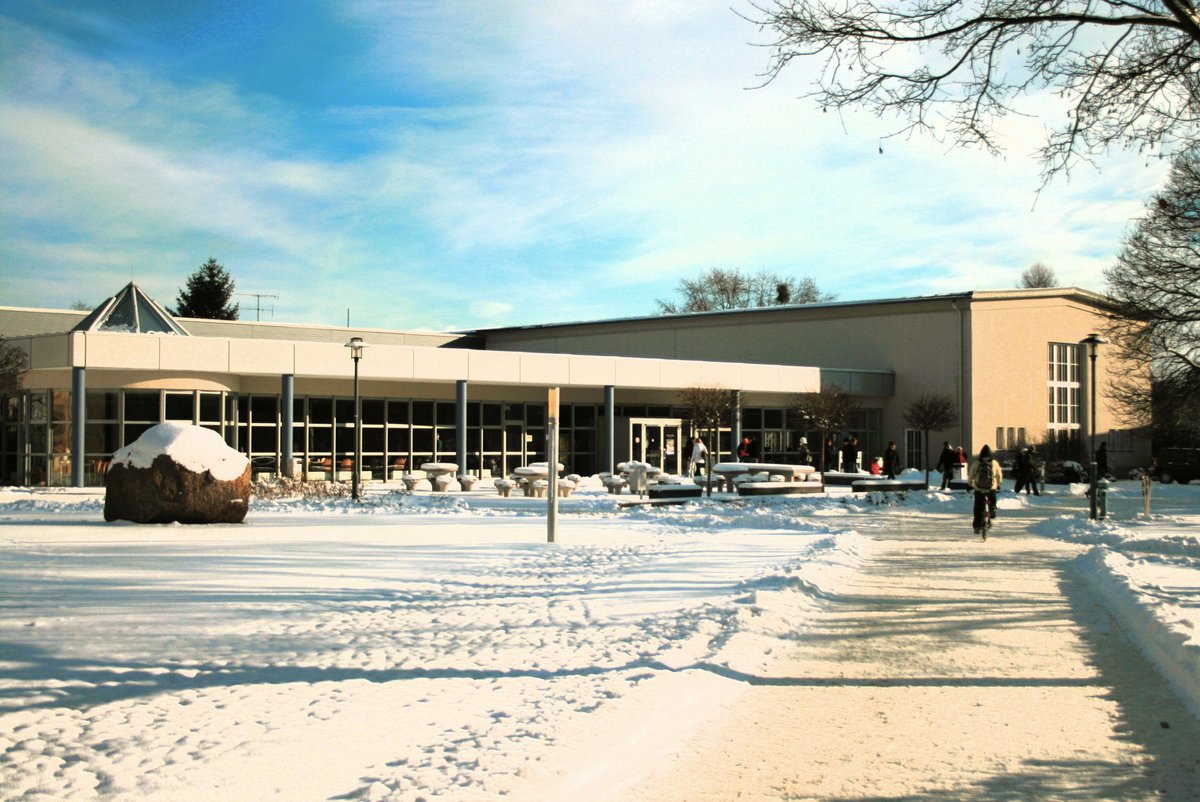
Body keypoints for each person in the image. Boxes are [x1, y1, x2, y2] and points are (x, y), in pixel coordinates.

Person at [969, 444, 1003, 539]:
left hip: (979, 488)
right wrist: (999, 484)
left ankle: (976, 526)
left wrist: (969, 484)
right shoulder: (994, 463)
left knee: (977, 507)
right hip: (991, 488)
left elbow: (971, 474)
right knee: (992, 498)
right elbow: (998, 475)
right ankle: (992, 510)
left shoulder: (976, 463)